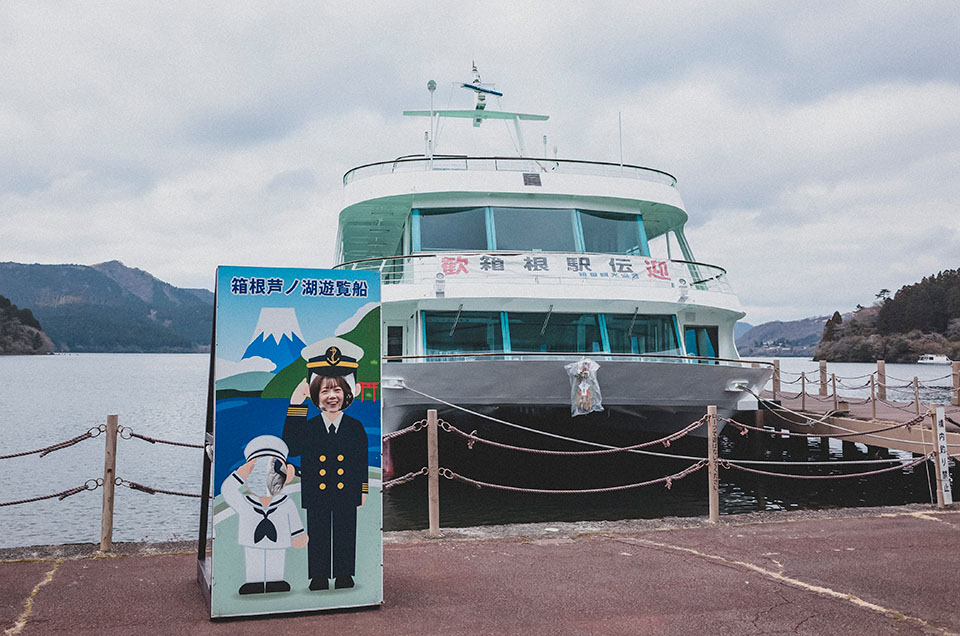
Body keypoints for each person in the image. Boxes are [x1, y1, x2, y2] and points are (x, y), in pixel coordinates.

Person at [283, 337, 369, 591]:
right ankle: (318, 576)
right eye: (324, 391)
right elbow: (293, 447)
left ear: (348, 393)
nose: (332, 396)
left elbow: (361, 459)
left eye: (338, 390)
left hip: (346, 490)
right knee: (318, 533)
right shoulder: (309, 427)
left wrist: (362, 488)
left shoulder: (355, 427)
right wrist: (295, 406)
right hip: (317, 490)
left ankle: (344, 574)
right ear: (314, 394)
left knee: (345, 531)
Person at [220, 434, 308, 595]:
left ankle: (276, 581)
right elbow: (227, 490)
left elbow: (294, 519)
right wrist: (240, 474)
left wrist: (298, 534)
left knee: (277, 558)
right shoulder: (246, 503)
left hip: (278, 540)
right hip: (252, 540)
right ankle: (254, 582)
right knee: (254, 559)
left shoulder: (285, 503)